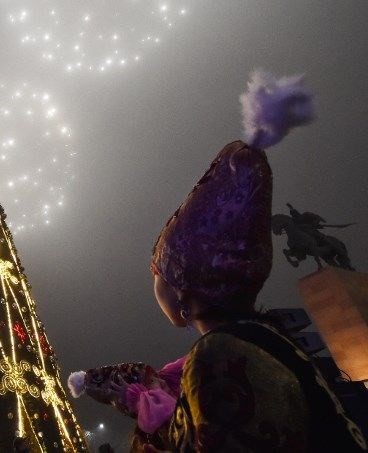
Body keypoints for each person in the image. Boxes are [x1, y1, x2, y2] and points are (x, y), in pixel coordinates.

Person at [144, 72, 367, 451]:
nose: (153, 285)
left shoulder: (218, 355)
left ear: (183, 286)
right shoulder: (267, 340)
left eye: (157, 272)